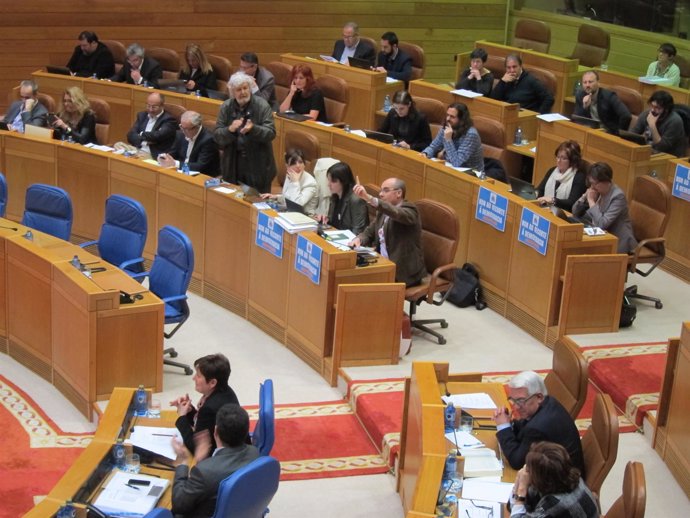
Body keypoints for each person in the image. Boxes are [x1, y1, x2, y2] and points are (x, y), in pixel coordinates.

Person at [171, 404, 260, 518]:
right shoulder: (255, 453)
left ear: (215, 431)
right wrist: (203, 462)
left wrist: (183, 462)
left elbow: (179, 505)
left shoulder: (204, 472)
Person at [493, 370, 585, 474]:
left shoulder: (538, 427)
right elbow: (525, 428)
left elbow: (516, 462)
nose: (516, 407)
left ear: (539, 397)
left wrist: (504, 427)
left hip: (563, 482)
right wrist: (510, 423)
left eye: (521, 401)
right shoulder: (548, 402)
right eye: (512, 400)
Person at [350, 177, 426, 287]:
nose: (380, 194)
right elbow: (369, 232)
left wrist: (369, 198)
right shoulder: (382, 212)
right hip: (382, 263)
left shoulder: (410, 211)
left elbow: (396, 213)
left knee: (362, 284)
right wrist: (359, 239)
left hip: (403, 271)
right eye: (381, 190)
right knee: (351, 274)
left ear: (399, 193)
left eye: (385, 190)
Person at [214, 71, 277, 192]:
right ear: (232, 92)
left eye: (245, 88)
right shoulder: (226, 107)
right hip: (233, 165)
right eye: (238, 89)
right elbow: (217, 135)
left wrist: (254, 129)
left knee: (257, 203)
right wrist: (230, 130)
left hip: (258, 166)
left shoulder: (262, 105)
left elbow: (271, 133)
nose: (243, 92)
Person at [170, 353, 240, 458]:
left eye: (198, 376)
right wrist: (190, 411)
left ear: (212, 382)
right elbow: (205, 424)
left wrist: (181, 417)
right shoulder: (225, 390)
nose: (193, 378)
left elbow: (196, 448)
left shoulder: (210, 408)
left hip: (223, 458)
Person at [509, 442, 599, 518]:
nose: (525, 470)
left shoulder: (553, 505)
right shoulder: (568, 477)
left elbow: (515, 511)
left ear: (540, 478)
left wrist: (521, 488)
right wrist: (519, 485)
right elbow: (512, 507)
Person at [572, 162, 638, 254]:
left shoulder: (618, 196)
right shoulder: (597, 191)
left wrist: (591, 201)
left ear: (606, 181)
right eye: (591, 183)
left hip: (618, 241)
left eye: (594, 184)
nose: (592, 187)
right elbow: (575, 212)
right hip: (601, 237)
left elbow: (602, 224)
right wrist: (584, 197)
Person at [420, 102, 484, 171]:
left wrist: (448, 140)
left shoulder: (471, 134)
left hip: (471, 175)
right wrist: (425, 153)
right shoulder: (447, 126)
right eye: (447, 115)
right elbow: (433, 146)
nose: (447, 119)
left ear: (462, 120)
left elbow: (457, 163)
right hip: (450, 168)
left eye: (452, 117)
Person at [157, 111, 219, 177]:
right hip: (182, 171)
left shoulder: (208, 139)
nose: (183, 131)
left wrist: (175, 163)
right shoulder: (180, 134)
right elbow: (173, 154)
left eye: (187, 129)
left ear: (197, 127)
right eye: (181, 127)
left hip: (202, 175)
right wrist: (165, 157)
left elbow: (200, 166)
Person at [631, 90, 687, 158]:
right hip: (649, 152)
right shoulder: (647, 114)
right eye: (652, 106)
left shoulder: (675, 121)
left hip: (667, 157)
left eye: (657, 108)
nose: (653, 110)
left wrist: (652, 125)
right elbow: (632, 134)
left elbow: (661, 147)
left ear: (666, 109)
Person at [261, 149, 318, 214]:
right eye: (293, 163)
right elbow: (289, 197)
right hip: (290, 212)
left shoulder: (310, 183)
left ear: (304, 164)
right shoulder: (290, 174)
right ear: (287, 166)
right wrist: (276, 197)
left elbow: (297, 204)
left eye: (300, 162)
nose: (298, 166)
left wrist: (295, 182)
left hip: (305, 216)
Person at [318, 162, 369, 235]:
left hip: (349, 242)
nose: (328, 184)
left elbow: (358, 232)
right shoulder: (335, 196)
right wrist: (325, 219)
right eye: (328, 180)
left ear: (344, 181)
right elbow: (334, 222)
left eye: (333, 181)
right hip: (334, 236)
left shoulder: (356, 200)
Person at [573, 70, 631, 134]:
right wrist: (584, 107)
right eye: (585, 82)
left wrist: (619, 134)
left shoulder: (609, 96)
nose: (587, 85)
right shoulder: (580, 95)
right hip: (590, 131)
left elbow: (626, 116)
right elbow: (577, 119)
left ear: (598, 82)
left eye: (590, 82)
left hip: (607, 133)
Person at [535, 140, 587, 211]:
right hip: (546, 210)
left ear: (572, 161)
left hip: (564, 215)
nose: (559, 160)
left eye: (563, 158)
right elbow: (540, 190)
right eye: (558, 157)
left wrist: (553, 200)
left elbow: (571, 203)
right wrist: (535, 194)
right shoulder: (552, 171)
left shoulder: (579, 177)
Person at [126, 92, 177, 158]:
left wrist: (141, 134)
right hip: (137, 149)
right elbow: (130, 135)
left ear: (162, 106)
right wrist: (144, 142)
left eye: (154, 107)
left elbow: (157, 136)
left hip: (152, 154)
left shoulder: (169, 120)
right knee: (118, 145)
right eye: (148, 106)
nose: (150, 110)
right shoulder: (142, 115)